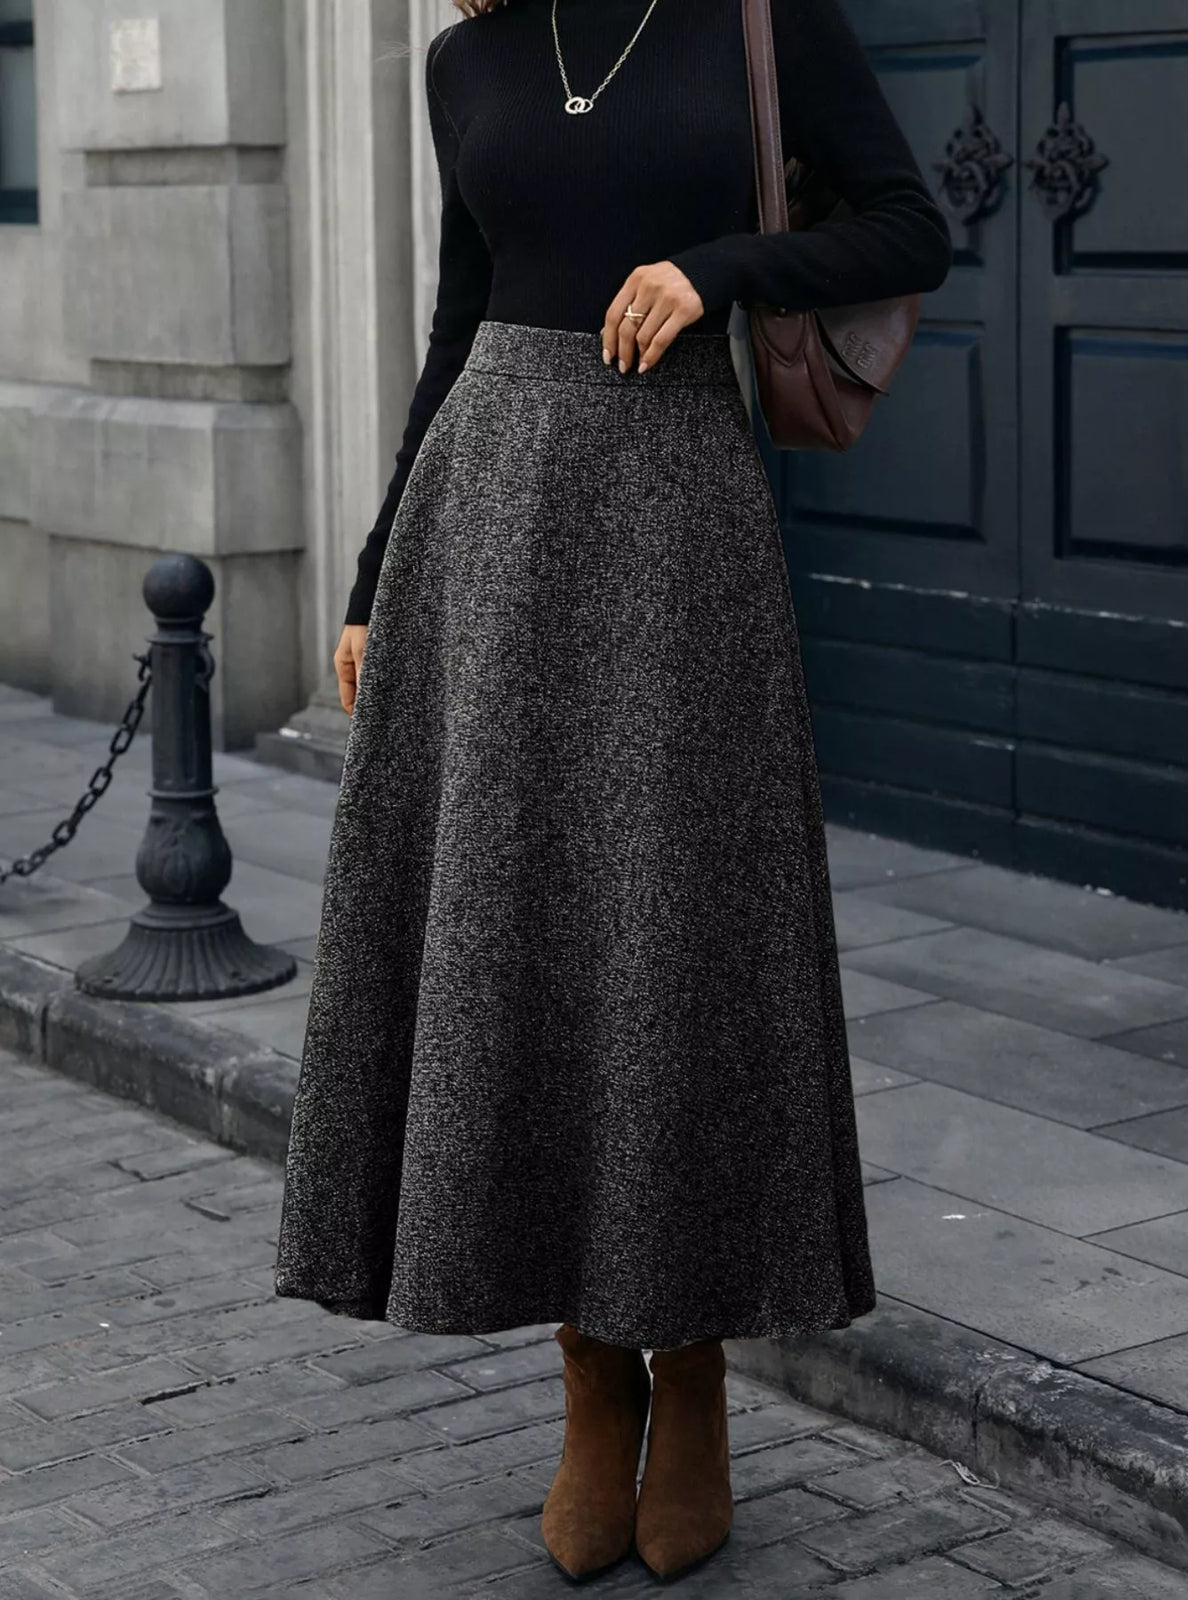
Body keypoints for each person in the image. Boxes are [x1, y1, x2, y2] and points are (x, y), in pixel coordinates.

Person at [274, 0, 952, 1582]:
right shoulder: (470, 62)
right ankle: (591, 1378)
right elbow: (455, 324)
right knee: (534, 940)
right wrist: (380, 575)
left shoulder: (754, 25)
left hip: (682, 524)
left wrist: (721, 267)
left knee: (677, 951)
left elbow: (908, 223)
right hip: (494, 537)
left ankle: (693, 1368)